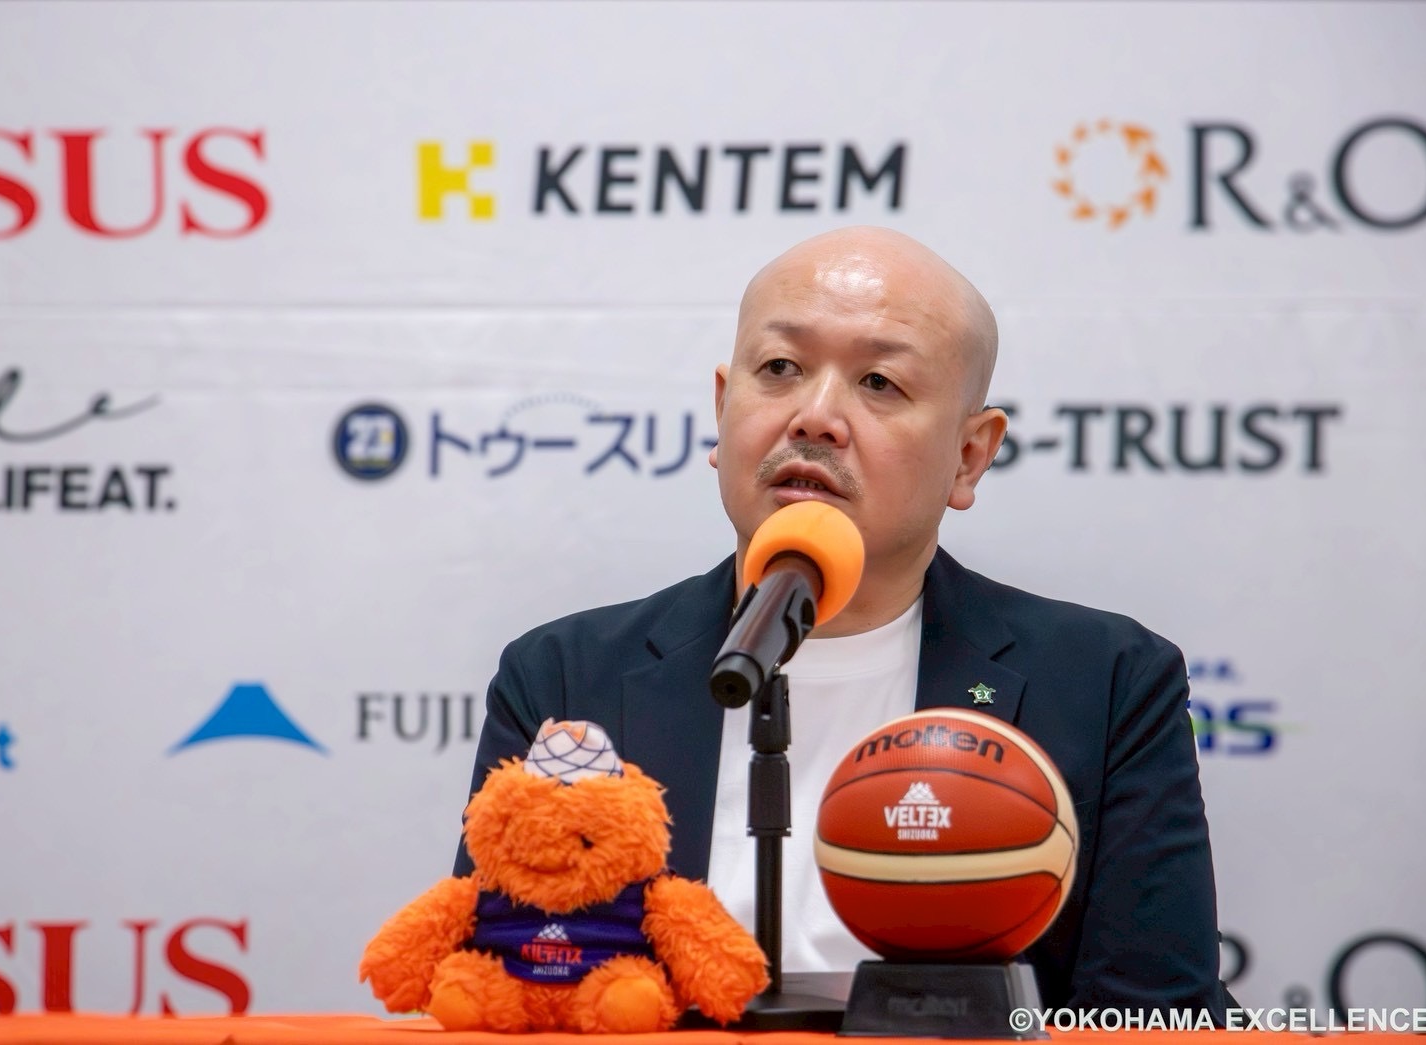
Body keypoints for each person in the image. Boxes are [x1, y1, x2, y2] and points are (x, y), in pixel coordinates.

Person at [455, 226, 1223, 1016]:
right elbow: (500, 992)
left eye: (879, 382)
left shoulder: (1104, 682)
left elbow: (1155, 1016)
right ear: (722, 408)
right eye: (779, 368)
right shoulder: (566, 675)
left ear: (968, 455)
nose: (815, 416)